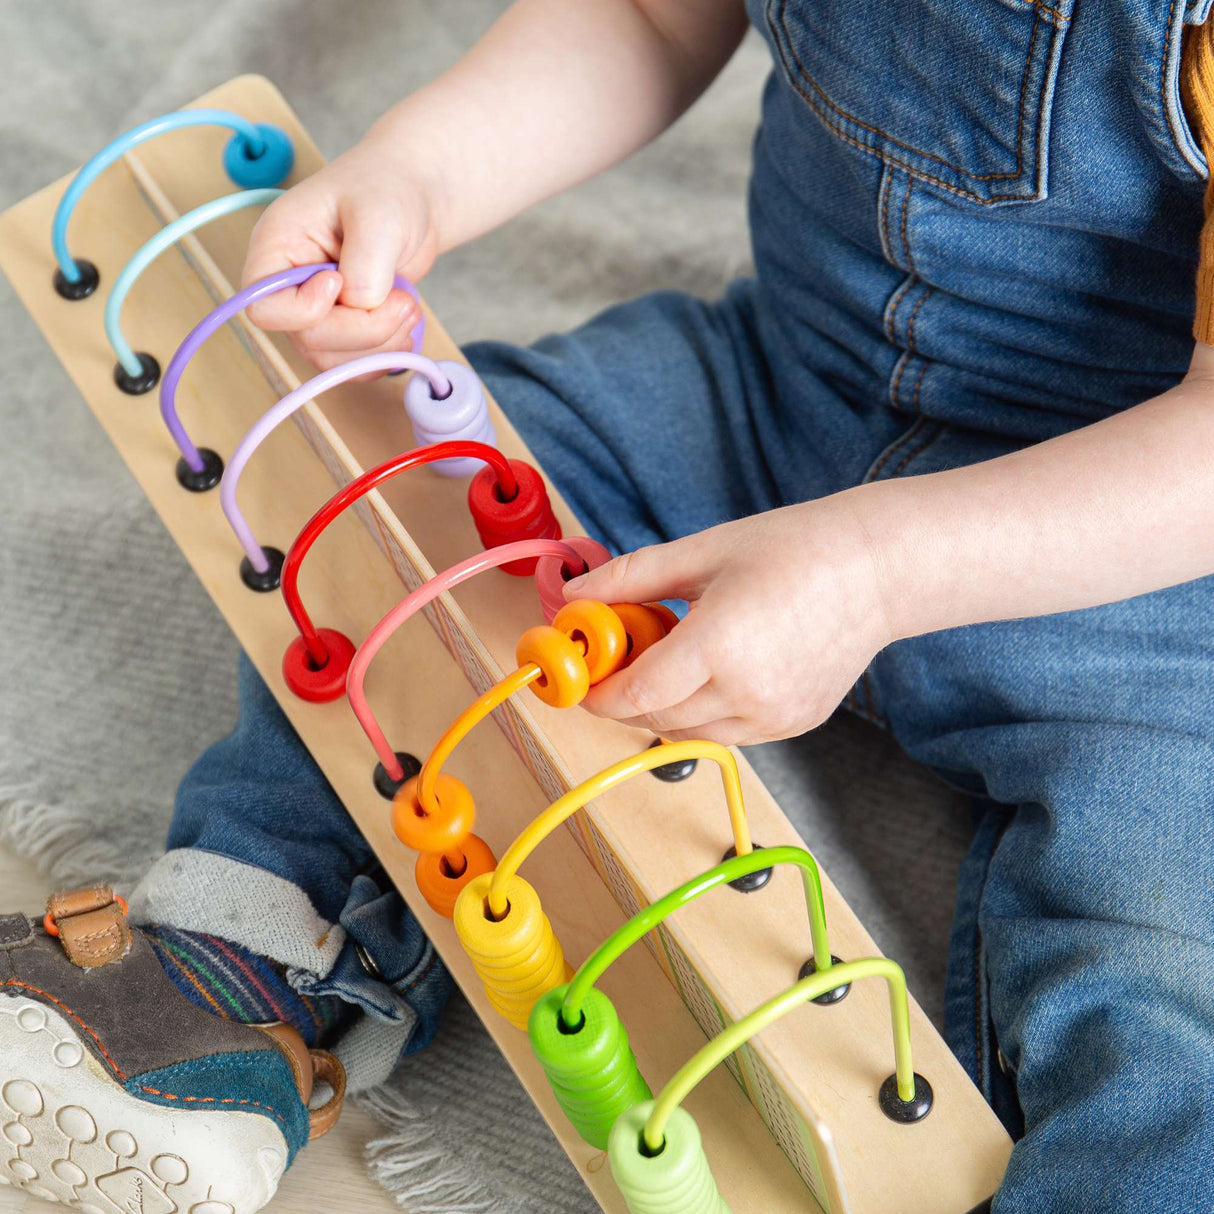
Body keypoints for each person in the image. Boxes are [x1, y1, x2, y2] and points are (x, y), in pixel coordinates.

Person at [5, 2, 1214, 1211]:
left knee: (1169, 967)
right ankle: (233, 976)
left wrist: (877, 571)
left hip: (1126, 565)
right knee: (422, 529)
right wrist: (419, 174)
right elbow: (640, 20)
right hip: (776, 393)